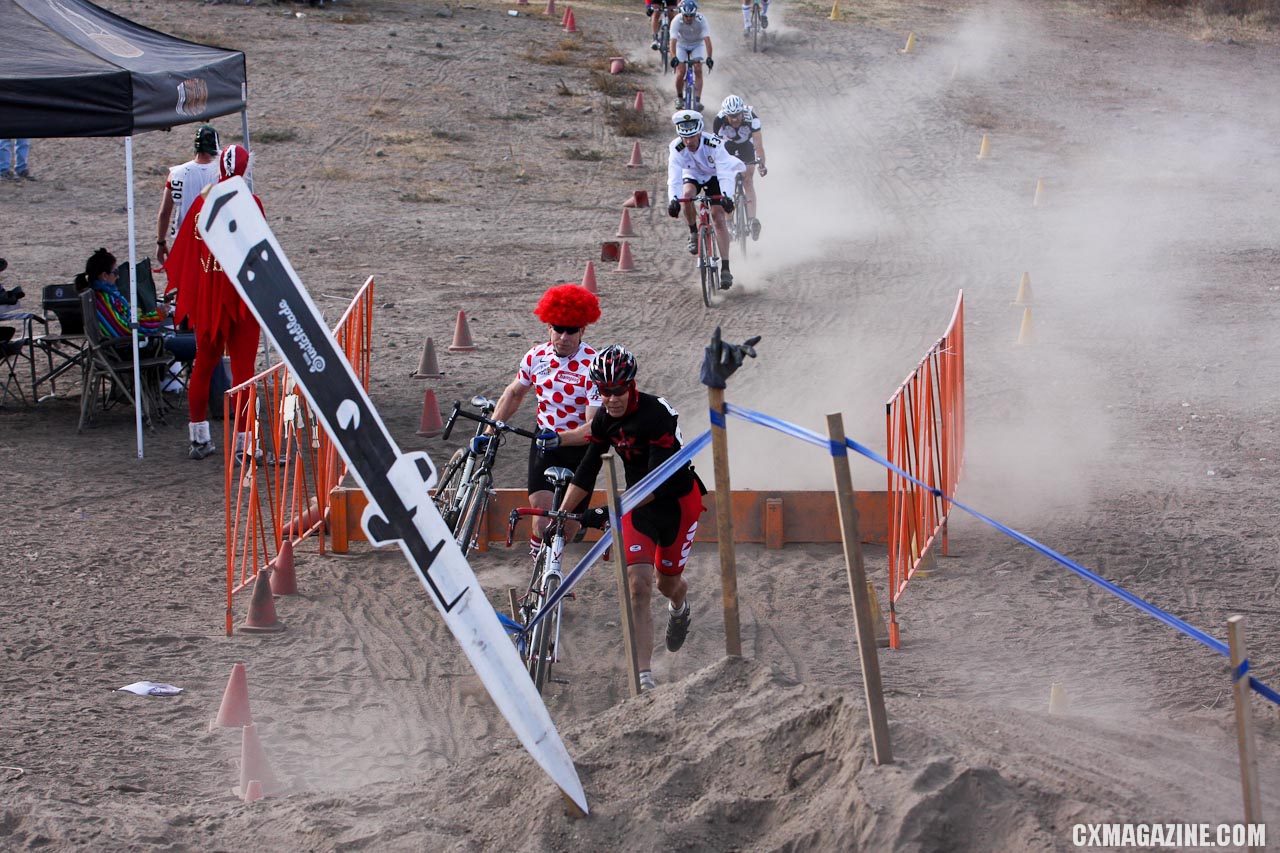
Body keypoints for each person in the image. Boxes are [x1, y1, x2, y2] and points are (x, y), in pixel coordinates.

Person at [557, 346, 706, 693]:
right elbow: (587, 469)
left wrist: (607, 510)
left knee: (667, 583)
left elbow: (658, 479)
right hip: (638, 507)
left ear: (631, 385)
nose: (611, 399)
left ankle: (680, 605)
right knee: (638, 586)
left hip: (676, 501)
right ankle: (644, 678)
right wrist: (564, 513)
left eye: (618, 390)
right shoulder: (605, 420)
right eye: (604, 392)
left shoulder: (657, 414)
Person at [164, 144, 264, 461]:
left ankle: (199, 439)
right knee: (244, 371)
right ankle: (245, 445)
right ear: (245, 169)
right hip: (241, 297)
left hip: (209, 299)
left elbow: (189, 252)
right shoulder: (251, 203)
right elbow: (260, 255)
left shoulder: (200, 204)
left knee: (203, 366)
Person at [490, 283, 602, 558]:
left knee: (567, 528)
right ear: (548, 327)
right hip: (545, 443)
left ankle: (560, 550)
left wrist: (561, 439)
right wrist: (491, 427)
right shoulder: (536, 356)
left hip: (581, 449)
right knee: (541, 521)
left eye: (571, 330)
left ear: (583, 330)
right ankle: (541, 571)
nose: (564, 336)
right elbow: (514, 393)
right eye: (558, 328)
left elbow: (593, 428)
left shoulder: (594, 366)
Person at [666, 108, 744, 288]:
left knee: (718, 217)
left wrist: (727, 196)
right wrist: (673, 200)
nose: (689, 141)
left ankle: (725, 268)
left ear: (700, 133)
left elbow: (725, 172)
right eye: (685, 138)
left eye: (692, 137)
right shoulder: (676, 147)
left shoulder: (714, 144)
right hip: (692, 174)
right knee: (686, 195)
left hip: (714, 175)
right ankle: (693, 232)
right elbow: (674, 176)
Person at [155, 125, 220, 268]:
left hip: (184, 242)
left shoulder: (176, 173)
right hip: (215, 242)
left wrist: (161, 242)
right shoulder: (221, 174)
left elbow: (164, 212)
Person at [73, 248, 165, 345]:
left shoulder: (101, 295)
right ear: (104, 276)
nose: (118, 277)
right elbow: (125, 330)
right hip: (127, 349)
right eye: (116, 272)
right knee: (181, 343)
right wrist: (157, 316)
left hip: (123, 345)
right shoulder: (102, 299)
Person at [712, 94, 769, 241]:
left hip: (746, 147)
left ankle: (751, 220)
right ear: (726, 115)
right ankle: (729, 222)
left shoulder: (752, 118)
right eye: (731, 116)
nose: (735, 119)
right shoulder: (719, 120)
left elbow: (758, 145)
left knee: (748, 179)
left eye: (737, 115)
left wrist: (761, 164)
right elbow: (715, 147)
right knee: (727, 182)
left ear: (742, 112)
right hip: (727, 147)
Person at [668, 0, 714, 111]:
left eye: (691, 16)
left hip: (696, 44)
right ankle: (679, 97)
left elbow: (707, 40)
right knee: (680, 71)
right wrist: (674, 57)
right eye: (686, 16)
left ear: (695, 14)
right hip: (681, 45)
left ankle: (697, 100)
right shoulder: (676, 21)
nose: (689, 18)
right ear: (682, 14)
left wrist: (709, 57)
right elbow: (673, 42)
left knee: (698, 68)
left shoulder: (702, 20)